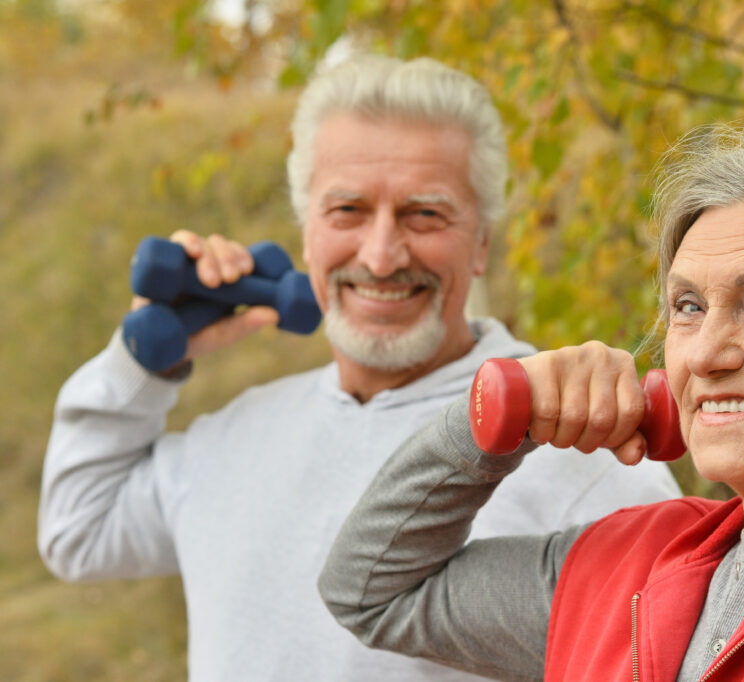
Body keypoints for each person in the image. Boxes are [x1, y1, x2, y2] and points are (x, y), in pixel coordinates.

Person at [37, 55, 681, 682]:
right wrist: (142, 359)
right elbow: (77, 532)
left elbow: (666, 654)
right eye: (347, 211)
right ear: (306, 234)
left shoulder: (578, 440)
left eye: (423, 214)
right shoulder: (236, 434)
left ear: (482, 241)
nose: (380, 256)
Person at [318, 122, 744, 681]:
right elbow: (371, 589)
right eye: (687, 307)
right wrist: (500, 417)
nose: (706, 354)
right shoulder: (616, 571)